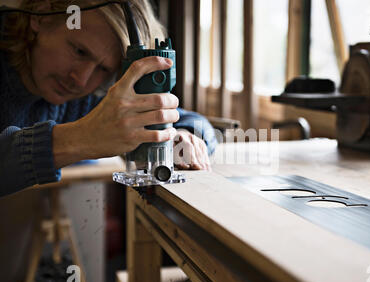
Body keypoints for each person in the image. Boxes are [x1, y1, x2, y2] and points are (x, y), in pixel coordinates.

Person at [0, 0, 217, 197]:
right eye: (79, 51)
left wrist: (183, 136)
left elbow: (194, 121)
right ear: (40, 15)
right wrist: (80, 138)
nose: (81, 80)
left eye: (103, 68)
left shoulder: (89, 97)